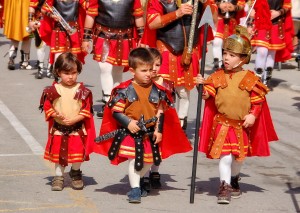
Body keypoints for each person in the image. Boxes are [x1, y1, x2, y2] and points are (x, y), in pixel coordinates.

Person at [91, 47, 192, 203]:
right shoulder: (124, 90)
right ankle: (135, 188)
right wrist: (129, 122)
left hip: (150, 133)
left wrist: (158, 131)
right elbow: (116, 112)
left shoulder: (158, 91)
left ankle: (138, 179)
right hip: (132, 133)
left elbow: (160, 112)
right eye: (144, 70)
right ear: (132, 71)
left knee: (150, 160)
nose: (148, 73)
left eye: (150, 70)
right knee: (135, 160)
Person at [197, 26, 278, 204]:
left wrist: (253, 115)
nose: (226, 57)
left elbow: (258, 101)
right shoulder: (217, 76)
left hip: (241, 126)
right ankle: (224, 187)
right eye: (225, 53)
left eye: (232, 55)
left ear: (243, 59)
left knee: (238, 160)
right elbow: (206, 95)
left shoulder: (250, 79)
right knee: (225, 157)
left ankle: (234, 178)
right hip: (222, 124)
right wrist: (200, 85)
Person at [142, 0, 218, 130]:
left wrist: (206, 3)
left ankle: (180, 123)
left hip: (188, 51)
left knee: (183, 91)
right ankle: (159, 122)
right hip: (166, 48)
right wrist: (177, 13)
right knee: (161, 88)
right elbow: (152, 23)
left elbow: (213, 19)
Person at [39, 52, 96, 191]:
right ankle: (58, 176)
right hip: (59, 128)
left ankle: (76, 174)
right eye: (66, 73)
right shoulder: (53, 90)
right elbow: (47, 107)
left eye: (74, 73)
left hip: (77, 129)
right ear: (58, 72)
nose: (71, 77)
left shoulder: (82, 90)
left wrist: (75, 119)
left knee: (77, 155)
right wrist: (56, 115)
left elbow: (86, 109)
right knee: (59, 155)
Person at [81, 0, 145, 118]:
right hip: (103, 35)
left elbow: (138, 16)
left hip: (124, 36)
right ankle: (107, 101)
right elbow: (90, 15)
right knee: (104, 67)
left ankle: (116, 100)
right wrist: (86, 38)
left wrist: (142, 37)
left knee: (117, 70)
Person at [39, 0, 98, 66]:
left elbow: (89, 8)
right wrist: (51, 15)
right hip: (59, 32)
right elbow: (44, 9)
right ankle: (58, 74)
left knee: (73, 61)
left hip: (74, 31)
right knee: (58, 60)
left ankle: (70, 75)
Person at [249, 0, 293, 85]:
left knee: (271, 53)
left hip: (276, 23)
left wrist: (278, 13)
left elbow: (287, 5)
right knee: (262, 51)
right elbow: (253, 4)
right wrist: (252, 12)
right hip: (261, 22)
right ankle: (258, 78)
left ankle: (266, 80)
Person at [212, 0, 246, 69]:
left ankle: (228, 64)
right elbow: (211, 2)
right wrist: (219, 5)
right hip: (219, 20)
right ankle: (218, 63)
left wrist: (234, 7)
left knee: (230, 46)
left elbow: (242, 5)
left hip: (232, 21)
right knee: (217, 41)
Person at [3, 0, 33, 70]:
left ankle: (12, 58)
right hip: (27, 5)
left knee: (16, 32)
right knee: (28, 33)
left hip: (16, 6)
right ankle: (25, 61)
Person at [28, 0, 54, 79]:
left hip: (55, 22)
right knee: (41, 46)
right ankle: (40, 69)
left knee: (53, 47)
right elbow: (32, 6)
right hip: (41, 21)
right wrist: (30, 21)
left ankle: (50, 70)